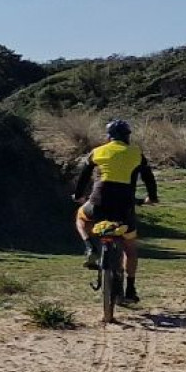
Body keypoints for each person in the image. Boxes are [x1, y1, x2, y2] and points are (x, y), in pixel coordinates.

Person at [72, 119, 159, 303]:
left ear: (109, 136)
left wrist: (79, 195)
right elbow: (148, 177)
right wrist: (152, 197)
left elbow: (84, 175)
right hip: (124, 207)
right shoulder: (136, 153)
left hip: (98, 204)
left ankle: (89, 247)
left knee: (81, 217)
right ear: (127, 136)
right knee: (130, 249)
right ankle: (130, 288)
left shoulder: (98, 151)